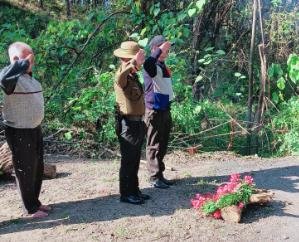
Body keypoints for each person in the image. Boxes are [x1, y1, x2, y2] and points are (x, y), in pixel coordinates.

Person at [0, 42, 50, 218]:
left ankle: (35, 202)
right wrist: (19, 64)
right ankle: (29, 209)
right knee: (25, 169)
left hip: (34, 128)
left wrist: (25, 65)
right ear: (15, 60)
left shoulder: (30, 79)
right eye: (27, 57)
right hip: (19, 131)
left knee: (37, 167)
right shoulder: (10, 79)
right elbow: (3, 79)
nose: (31, 60)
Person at [113, 41, 150, 205]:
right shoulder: (122, 76)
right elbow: (120, 77)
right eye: (135, 60)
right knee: (128, 161)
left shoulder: (133, 76)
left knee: (135, 160)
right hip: (127, 124)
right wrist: (132, 63)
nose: (139, 63)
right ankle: (126, 194)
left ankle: (134, 190)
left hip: (137, 123)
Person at [143, 35, 175, 189]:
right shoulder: (151, 64)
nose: (167, 51)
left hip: (164, 108)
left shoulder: (162, 65)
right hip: (154, 110)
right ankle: (153, 177)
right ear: (155, 49)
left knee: (162, 144)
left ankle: (160, 174)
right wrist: (158, 51)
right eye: (164, 48)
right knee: (153, 144)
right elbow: (147, 62)